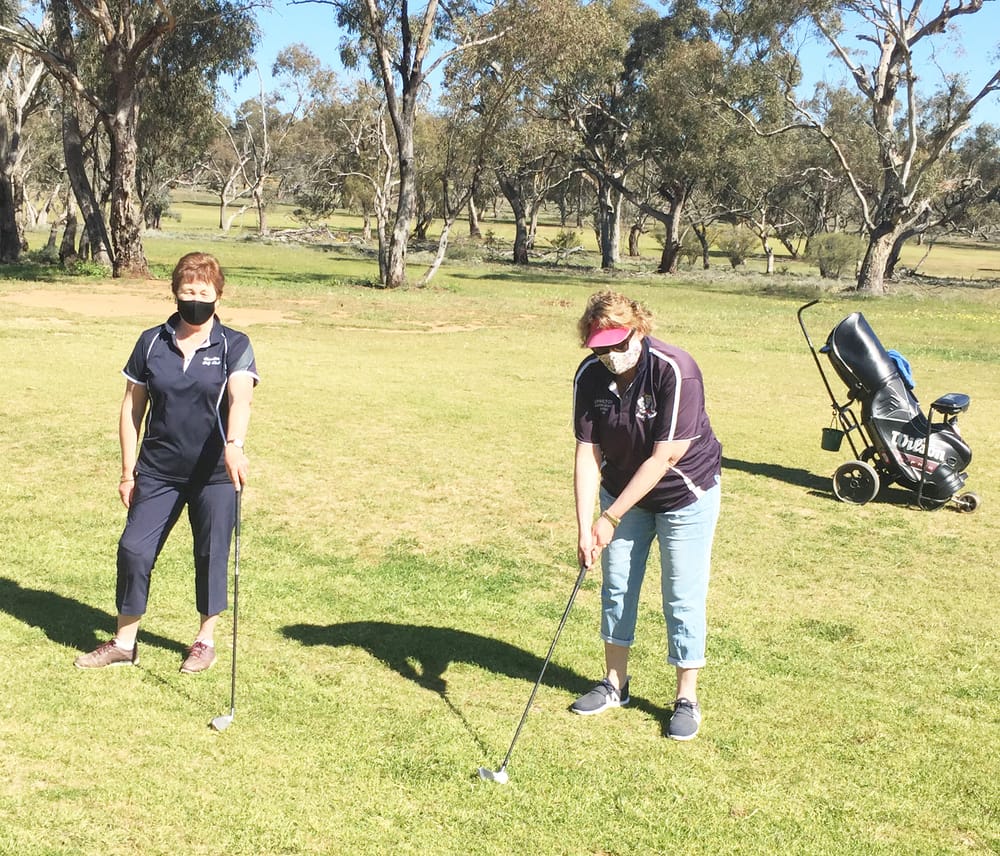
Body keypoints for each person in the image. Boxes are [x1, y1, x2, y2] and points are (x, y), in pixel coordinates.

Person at [75, 252, 259, 673]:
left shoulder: (235, 344)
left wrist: (235, 443)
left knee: (211, 554)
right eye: (187, 291)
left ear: (218, 295)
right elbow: (130, 409)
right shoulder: (151, 341)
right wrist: (127, 470)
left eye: (203, 292)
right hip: (158, 470)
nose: (195, 298)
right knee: (133, 550)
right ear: (175, 293)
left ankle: (204, 640)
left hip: (214, 473)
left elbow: (240, 397)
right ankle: (124, 642)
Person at [571, 291, 721, 740]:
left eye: (619, 344)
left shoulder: (676, 370)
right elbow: (586, 452)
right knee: (616, 584)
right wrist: (585, 526)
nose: (612, 356)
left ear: (639, 330)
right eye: (601, 348)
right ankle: (616, 684)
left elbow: (664, 459)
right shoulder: (589, 376)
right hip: (621, 491)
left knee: (681, 595)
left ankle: (686, 699)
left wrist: (610, 518)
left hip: (683, 494)